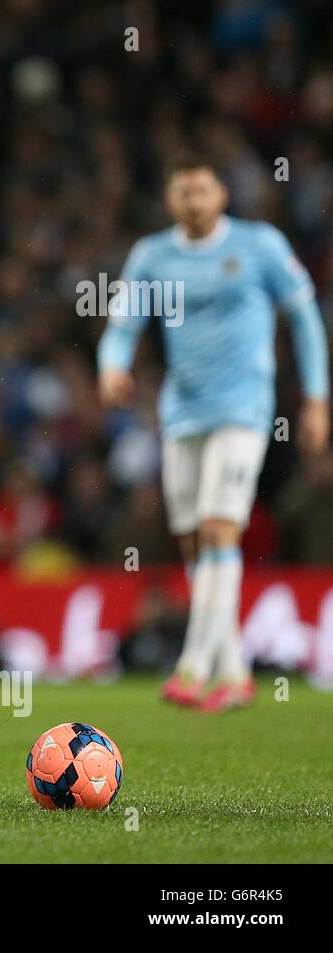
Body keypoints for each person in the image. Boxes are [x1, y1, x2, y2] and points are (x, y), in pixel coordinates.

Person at [98, 155, 329, 712]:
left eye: (202, 190)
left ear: (222, 195)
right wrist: (111, 365)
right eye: (183, 193)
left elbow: (303, 315)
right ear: (170, 200)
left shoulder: (259, 246)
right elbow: (123, 325)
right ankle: (236, 671)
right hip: (182, 414)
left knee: (219, 527)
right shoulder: (153, 255)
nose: (194, 201)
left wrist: (318, 398)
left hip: (245, 410)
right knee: (195, 541)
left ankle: (193, 664)